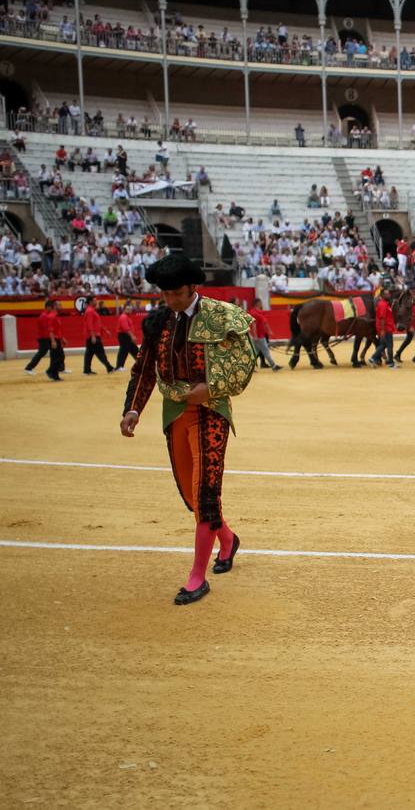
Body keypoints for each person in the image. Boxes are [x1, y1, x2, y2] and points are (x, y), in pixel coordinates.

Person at [120, 254, 257, 606]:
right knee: (190, 493)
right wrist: (134, 408)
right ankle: (226, 539)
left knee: (206, 491)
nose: (169, 301)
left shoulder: (220, 315)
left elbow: (244, 363)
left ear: (192, 288)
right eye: (165, 295)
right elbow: (145, 369)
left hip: (211, 410)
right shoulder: (158, 322)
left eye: (176, 294)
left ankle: (197, 577)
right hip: (174, 411)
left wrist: (210, 389)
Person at [25, 298, 65, 381]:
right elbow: (49, 329)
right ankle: (50, 371)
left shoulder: (51, 315)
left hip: (49, 338)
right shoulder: (48, 316)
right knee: (54, 355)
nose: (61, 306)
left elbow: (55, 329)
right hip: (46, 338)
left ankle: (54, 372)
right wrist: (53, 340)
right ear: (51, 307)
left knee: (56, 356)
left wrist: (61, 338)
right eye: (59, 305)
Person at [395, 291, 415, 368]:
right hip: (412, 325)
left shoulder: (411, 303)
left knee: (409, 340)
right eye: (413, 295)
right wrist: (411, 327)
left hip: (412, 325)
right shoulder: (409, 303)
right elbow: (411, 316)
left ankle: (398, 354)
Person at [82, 298, 115, 375]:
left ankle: (87, 370)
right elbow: (89, 325)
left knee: (89, 353)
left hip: (92, 335)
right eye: (94, 301)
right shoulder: (90, 311)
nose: (96, 302)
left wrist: (105, 330)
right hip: (93, 336)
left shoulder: (91, 310)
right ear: (90, 302)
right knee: (100, 352)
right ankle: (109, 367)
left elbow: (97, 323)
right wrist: (93, 336)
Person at [247, 300, 281, 371]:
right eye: (260, 303)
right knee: (265, 351)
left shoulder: (255, 312)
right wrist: (255, 336)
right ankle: (274, 366)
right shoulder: (255, 313)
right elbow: (254, 325)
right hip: (259, 336)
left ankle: (249, 367)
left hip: (259, 336)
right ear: (258, 304)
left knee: (255, 353)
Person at [371, 290, 397, 368]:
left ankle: (375, 358)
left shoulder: (385, 304)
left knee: (384, 344)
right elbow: (382, 318)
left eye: (389, 293)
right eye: (387, 294)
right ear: (382, 295)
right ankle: (390, 362)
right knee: (389, 345)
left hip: (387, 327)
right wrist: (382, 330)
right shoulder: (383, 304)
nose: (389, 295)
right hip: (386, 328)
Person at [114, 301, 140, 370]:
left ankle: (141, 363)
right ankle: (119, 366)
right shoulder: (124, 317)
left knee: (134, 350)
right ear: (124, 309)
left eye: (130, 309)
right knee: (124, 351)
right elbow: (126, 328)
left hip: (126, 336)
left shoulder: (126, 317)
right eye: (128, 309)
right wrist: (132, 336)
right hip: (124, 336)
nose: (129, 310)